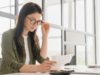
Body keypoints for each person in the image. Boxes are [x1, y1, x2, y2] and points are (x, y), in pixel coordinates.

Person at [0, 2, 56, 74]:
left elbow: (41, 59)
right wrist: (38, 67)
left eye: (38, 21)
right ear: (22, 17)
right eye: (32, 20)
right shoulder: (7, 35)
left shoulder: (33, 37)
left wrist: (45, 36)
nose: (35, 24)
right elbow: (12, 64)